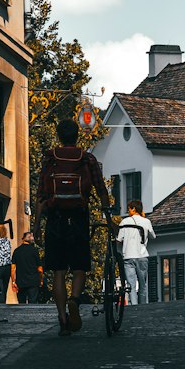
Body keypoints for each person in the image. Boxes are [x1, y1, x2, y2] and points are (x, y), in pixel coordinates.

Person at [33, 117, 113, 335]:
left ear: (59, 136)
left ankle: (62, 318)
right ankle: (75, 301)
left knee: (58, 271)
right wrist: (108, 214)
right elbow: (101, 189)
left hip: (55, 219)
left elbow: (41, 195)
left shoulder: (50, 160)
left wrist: (37, 225)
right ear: (77, 136)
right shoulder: (87, 159)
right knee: (79, 267)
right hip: (78, 218)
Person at [117, 198, 155, 304]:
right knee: (143, 284)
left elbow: (119, 240)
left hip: (128, 256)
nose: (128, 211)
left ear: (133, 209)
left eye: (129, 209)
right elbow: (153, 236)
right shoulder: (146, 221)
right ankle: (143, 306)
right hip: (142, 255)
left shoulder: (124, 222)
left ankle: (134, 305)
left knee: (131, 285)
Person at [11, 231, 42, 303]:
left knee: (21, 304)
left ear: (23, 239)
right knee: (33, 304)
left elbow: (13, 268)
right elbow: (40, 268)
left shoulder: (17, 251)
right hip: (33, 281)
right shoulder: (34, 251)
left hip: (21, 281)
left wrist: (13, 282)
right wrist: (40, 280)